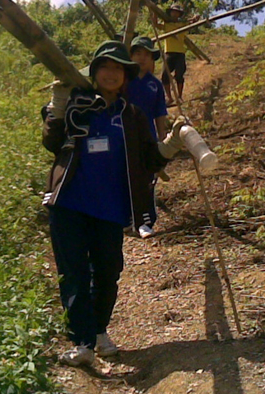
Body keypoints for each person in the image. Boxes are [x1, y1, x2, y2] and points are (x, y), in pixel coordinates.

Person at [42, 40, 184, 367]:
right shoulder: (78, 105)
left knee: (108, 272)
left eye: (118, 69)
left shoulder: (131, 115)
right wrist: (58, 103)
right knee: (74, 274)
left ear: (125, 77)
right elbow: (52, 142)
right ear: (94, 72)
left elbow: (150, 158)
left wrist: (172, 144)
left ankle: (98, 330)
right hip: (70, 204)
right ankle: (82, 342)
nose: (111, 73)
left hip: (110, 208)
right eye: (105, 67)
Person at [127, 36, 172, 238]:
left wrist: (162, 138)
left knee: (147, 179)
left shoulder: (155, 85)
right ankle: (127, 220)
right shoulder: (123, 80)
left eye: (146, 55)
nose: (141, 58)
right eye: (137, 53)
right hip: (124, 135)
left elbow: (159, 113)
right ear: (130, 56)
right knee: (124, 177)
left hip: (148, 138)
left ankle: (145, 222)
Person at [160, 3, 191, 105]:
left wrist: (195, 19)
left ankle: (180, 96)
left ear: (179, 14)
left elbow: (191, 24)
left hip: (179, 53)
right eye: (173, 12)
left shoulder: (182, 25)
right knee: (165, 76)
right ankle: (169, 98)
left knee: (179, 75)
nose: (175, 14)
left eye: (177, 12)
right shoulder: (166, 25)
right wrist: (154, 14)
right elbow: (156, 24)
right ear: (170, 12)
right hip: (168, 52)